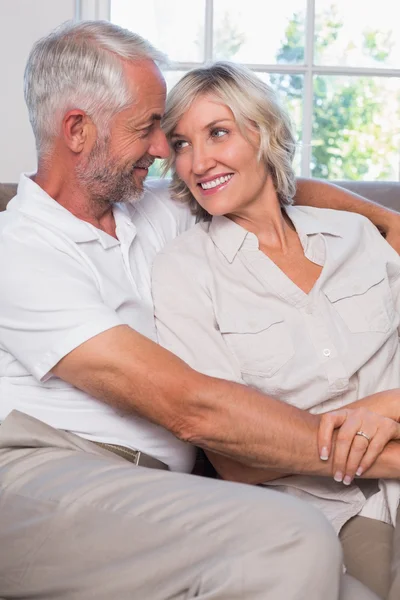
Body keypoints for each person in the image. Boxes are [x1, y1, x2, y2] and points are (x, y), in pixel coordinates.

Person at [0, 20, 395, 600]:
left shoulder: (150, 212)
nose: (165, 152)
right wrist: (385, 456)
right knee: (291, 537)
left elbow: (275, 186)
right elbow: (190, 409)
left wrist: (388, 223)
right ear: (78, 130)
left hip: (159, 492)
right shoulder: (19, 250)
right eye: (149, 129)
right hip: (41, 472)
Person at [152, 61, 400, 599]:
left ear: (263, 133)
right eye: (181, 143)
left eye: (218, 133)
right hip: (323, 516)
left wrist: (389, 405)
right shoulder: (184, 272)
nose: (198, 161)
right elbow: (233, 458)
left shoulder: (358, 235)